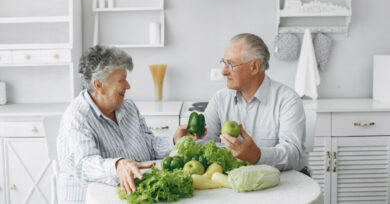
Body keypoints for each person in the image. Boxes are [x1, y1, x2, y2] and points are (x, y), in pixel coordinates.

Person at [57, 45, 200, 204]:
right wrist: (117, 165)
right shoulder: (77, 117)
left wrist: (174, 141)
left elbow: (149, 146)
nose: (128, 86)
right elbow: (83, 164)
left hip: (129, 197)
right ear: (99, 85)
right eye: (121, 80)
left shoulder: (128, 107)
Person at [202, 33, 306, 172]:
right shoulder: (219, 99)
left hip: (280, 184)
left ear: (254, 67)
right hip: (232, 184)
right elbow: (203, 143)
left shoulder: (287, 100)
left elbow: (293, 155)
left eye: (231, 64)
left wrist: (257, 156)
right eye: (224, 63)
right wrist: (186, 140)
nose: (224, 71)